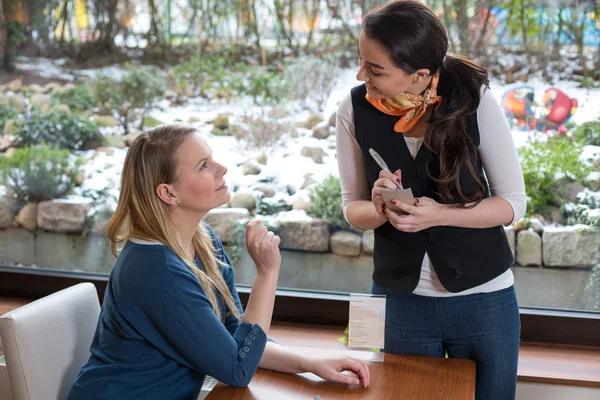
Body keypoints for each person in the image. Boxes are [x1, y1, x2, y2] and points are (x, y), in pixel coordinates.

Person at [68, 124, 370, 399]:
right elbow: (238, 368)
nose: (222, 168)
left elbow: (235, 337)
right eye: (204, 165)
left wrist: (311, 363)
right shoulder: (156, 271)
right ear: (168, 193)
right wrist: (267, 273)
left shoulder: (202, 240)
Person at [335, 1, 526, 399]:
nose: (360, 75)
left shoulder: (477, 100)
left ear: (420, 75)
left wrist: (440, 214)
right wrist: (378, 208)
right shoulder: (352, 109)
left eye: (375, 69)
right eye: (361, 61)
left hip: (484, 301)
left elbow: (512, 204)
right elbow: (352, 208)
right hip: (398, 301)